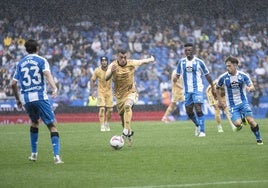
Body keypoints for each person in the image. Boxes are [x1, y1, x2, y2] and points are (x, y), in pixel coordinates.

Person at [11, 39, 64, 164]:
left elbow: (13, 83)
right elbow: (47, 74)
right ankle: (56, 157)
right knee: (51, 125)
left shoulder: (20, 63)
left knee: (34, 122)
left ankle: (34, 154)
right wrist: (54, 87)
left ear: (26, 49)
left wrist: (18, 99)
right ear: (37, 48)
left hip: (26, 99)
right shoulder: (41, 60)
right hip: (39, 96)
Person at [105, 49, 155, 146]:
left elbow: (142, 61)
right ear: (117, 57)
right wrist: (111, 72)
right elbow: (106, 77)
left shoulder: (132, 63)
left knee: (127, 106)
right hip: (119, 96)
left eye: (125, 57)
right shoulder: (113, 65)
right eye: (121, 57)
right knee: (124, 120)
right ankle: (129, 132)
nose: (123, 59)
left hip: (131, 92)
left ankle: (124, 133)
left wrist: (150, 59)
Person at [216, 56, 263, 145]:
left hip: (243, 102)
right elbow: (217, 88)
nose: (227, 68)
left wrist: (250, 88)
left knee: (251, 121)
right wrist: (219, 101)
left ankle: (259, 139)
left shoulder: (243, 76)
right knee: (237, 124)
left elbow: (252, 86)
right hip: (232, 105)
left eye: (229, 66)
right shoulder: (223, 77)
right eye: (226, 66)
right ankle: (242, 117)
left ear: (235, 65)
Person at [174, 43, 216, 137]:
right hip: (187, 90)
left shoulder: (199, 62)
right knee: (189, 112)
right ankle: (197, 125)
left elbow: (207, 75)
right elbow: (177, 74)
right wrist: (175, 79)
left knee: (198, 108)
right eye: (186, 50)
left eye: (189, 50)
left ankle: (202, 131)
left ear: (193, 51)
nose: (187, 52)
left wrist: (212, 87)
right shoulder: (181, 62)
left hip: (197, 89)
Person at [90, 56, 113, 132]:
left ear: (107, 62)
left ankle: (107, 123)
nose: (104, 62)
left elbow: (116, 79)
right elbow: (92, 80)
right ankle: (102, 125)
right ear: (101, 62)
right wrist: (92, 92)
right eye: (102, 61)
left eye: (105, 60)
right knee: (102, 108)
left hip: (109, 92)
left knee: (110, 110)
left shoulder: (111, 70)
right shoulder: (97, 70)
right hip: (101, 92)